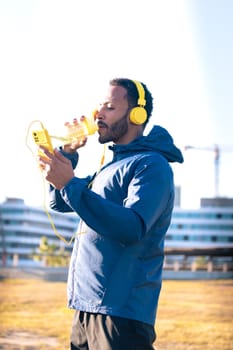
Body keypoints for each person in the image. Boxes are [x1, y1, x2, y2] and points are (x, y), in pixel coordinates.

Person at [39, 78, 184, 350]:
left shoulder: (151, 165)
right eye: (99, 107)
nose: (98, 114)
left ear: (136, 115)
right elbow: (60, 202)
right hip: (85, 308)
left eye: (110, 107)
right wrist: (67, 155)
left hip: (121, 314)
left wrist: (70, 183)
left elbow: (132, 227)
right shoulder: (110, 167)